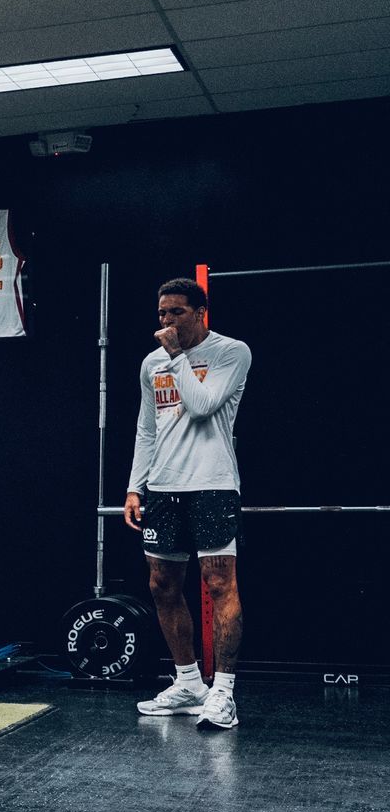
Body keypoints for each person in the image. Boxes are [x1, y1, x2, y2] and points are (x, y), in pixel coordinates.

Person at [124, 278, 252, 730]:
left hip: (212, 484)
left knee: (220, 585)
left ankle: (223, 693)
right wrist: (135, 486)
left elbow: (201, 407)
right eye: (162, 313)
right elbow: (147, 428)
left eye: (176, 312)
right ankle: (188, 684)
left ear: (200, 312)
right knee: (162, 585)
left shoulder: (231, 352)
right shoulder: (151, 363)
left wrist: (178, 356)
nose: (167, 320)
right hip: (163, 486)